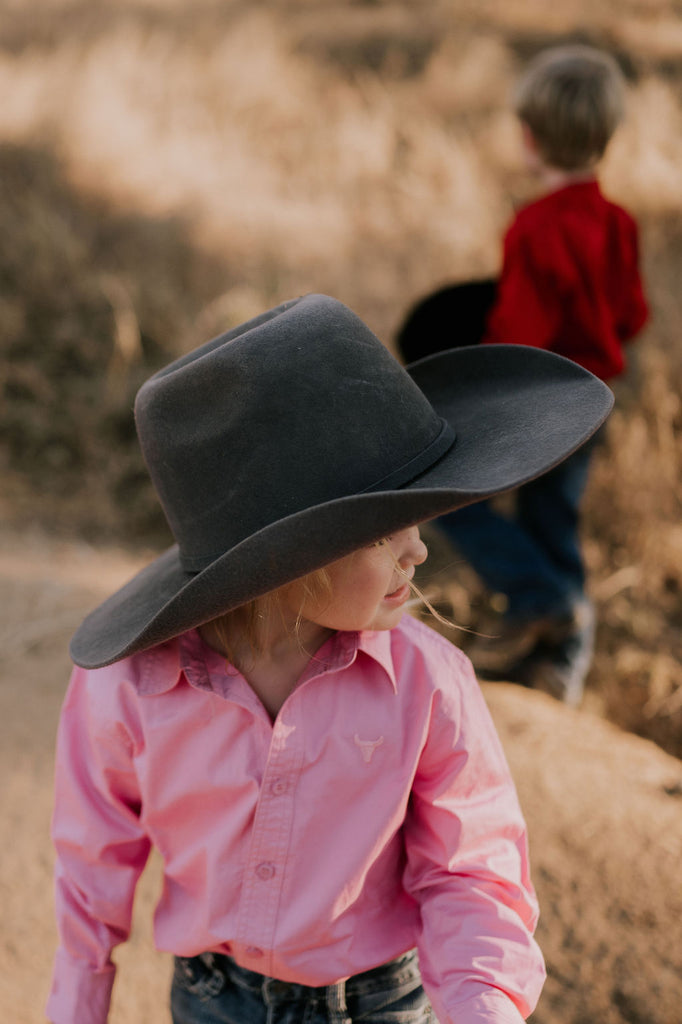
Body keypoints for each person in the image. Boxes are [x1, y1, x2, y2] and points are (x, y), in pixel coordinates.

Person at [46, 294, 612, 1024]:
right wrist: (77, 1007)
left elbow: (471, 870)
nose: (419, 547)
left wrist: (482, 1007)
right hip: (215, 1002)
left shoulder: (428, 682)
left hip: (380, 1003)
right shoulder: (129, 688)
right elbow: (91, 863)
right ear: (288, 563)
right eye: (381, 531)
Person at [436, 44, 649, 705]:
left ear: (529, 138)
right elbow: (632, 314)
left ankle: (541, 597)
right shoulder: (617, 223)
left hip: (539, 399)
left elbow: (520, 337)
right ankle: (562, 668)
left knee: (457, 503)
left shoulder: (533, 228)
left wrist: (479, 382)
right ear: (603, 138)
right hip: (593, 400)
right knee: (553, 519)